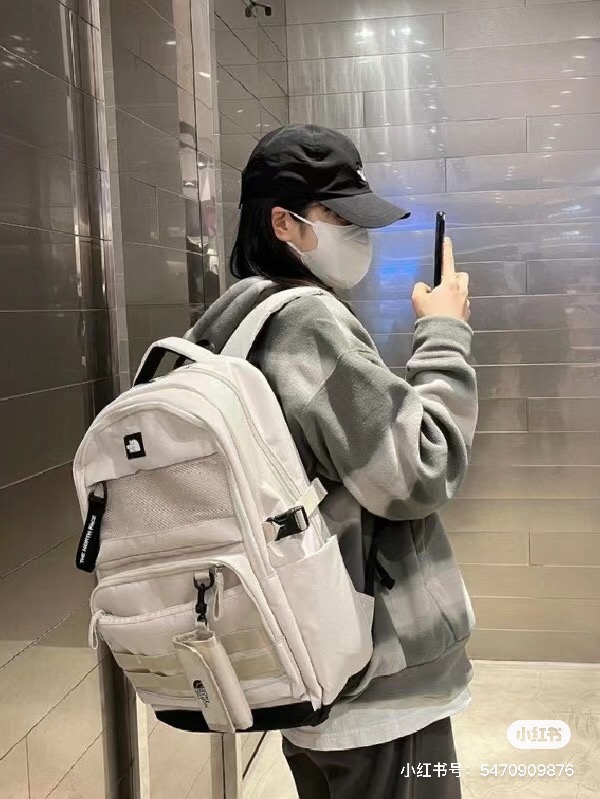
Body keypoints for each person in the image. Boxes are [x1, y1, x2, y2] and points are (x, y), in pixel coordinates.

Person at [188, 124, 478, 799]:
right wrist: (445, 332)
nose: (358, 235)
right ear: (283, 222)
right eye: (340, 218)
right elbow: (418, 472)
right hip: (379, 685)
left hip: (309, 664)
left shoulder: (230, 324)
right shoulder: (307, 323)